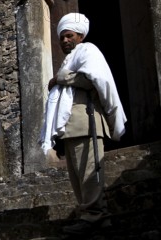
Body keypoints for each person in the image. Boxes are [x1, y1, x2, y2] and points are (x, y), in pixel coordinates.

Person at [39, 12, 127, 235]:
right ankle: (97, 218)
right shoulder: (71, 61)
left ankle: (93, 216)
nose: (65, 40)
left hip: (86, 122)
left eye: (69, 36)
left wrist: (60, 79)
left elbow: (94, 80)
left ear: (80, 36)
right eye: (62, 37)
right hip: (71, 127)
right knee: (79, 177)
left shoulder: (88, 51)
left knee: (89, 174)